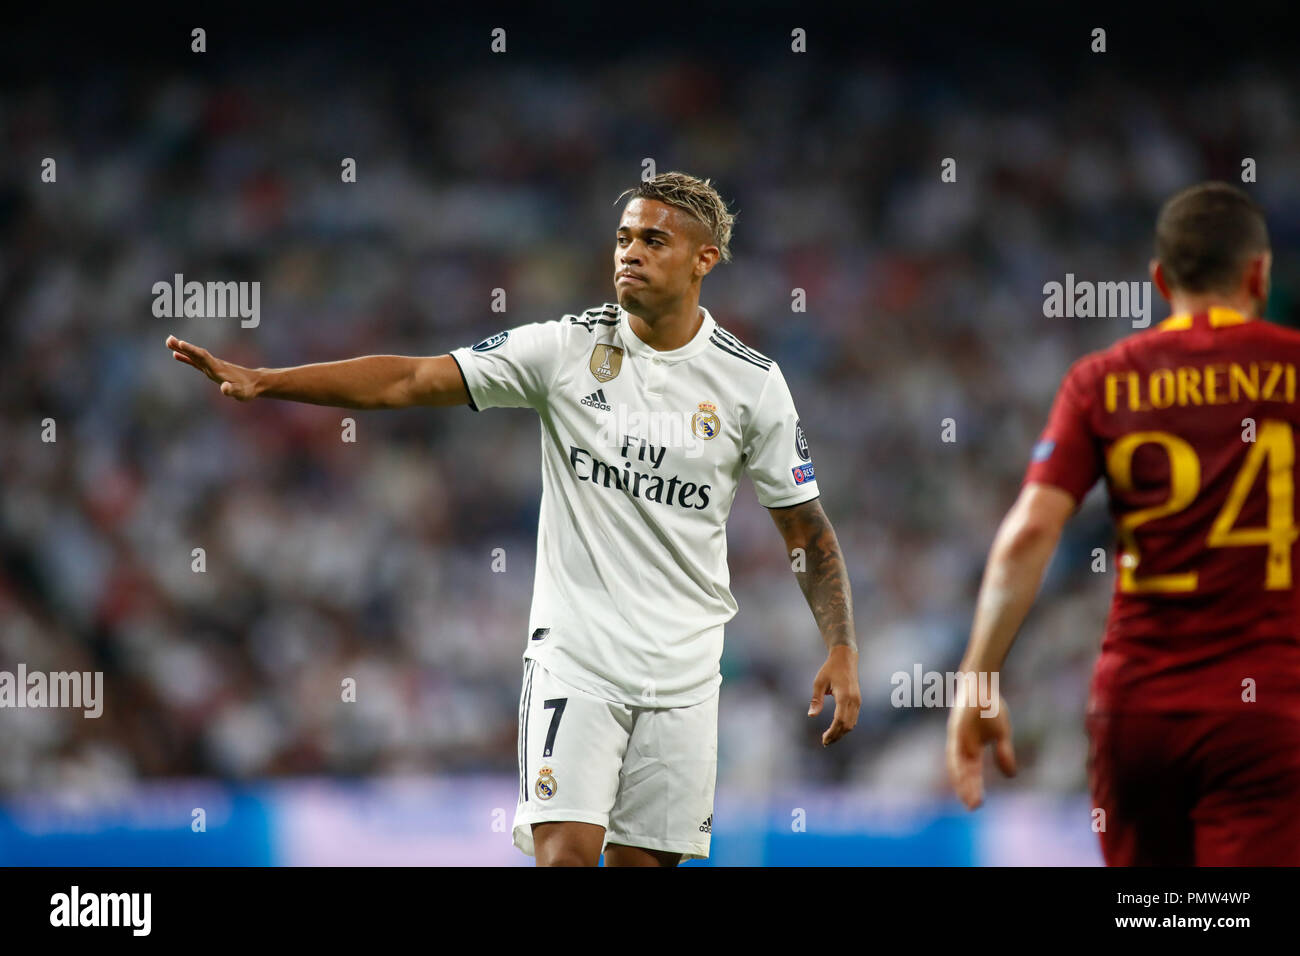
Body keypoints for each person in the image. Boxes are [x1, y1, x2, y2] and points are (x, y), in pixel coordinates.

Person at [166, 171, 860, 866]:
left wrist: (841, 646)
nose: (630, 253)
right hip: (576, 658)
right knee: (566, 855)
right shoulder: (564, 351)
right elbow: (413, 378)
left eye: (654, 240)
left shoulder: (751, 384)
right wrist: (269, 381)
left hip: (685, 675)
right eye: (623, 239)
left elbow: (806, 529)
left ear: (704, 259)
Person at [947, 181, 1300, 865]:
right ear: (1258, 273)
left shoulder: (1102, 380)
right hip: (1265, 708)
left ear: (1161, 280)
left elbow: (1028, 532)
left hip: (1138, 711)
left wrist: (978, 677)